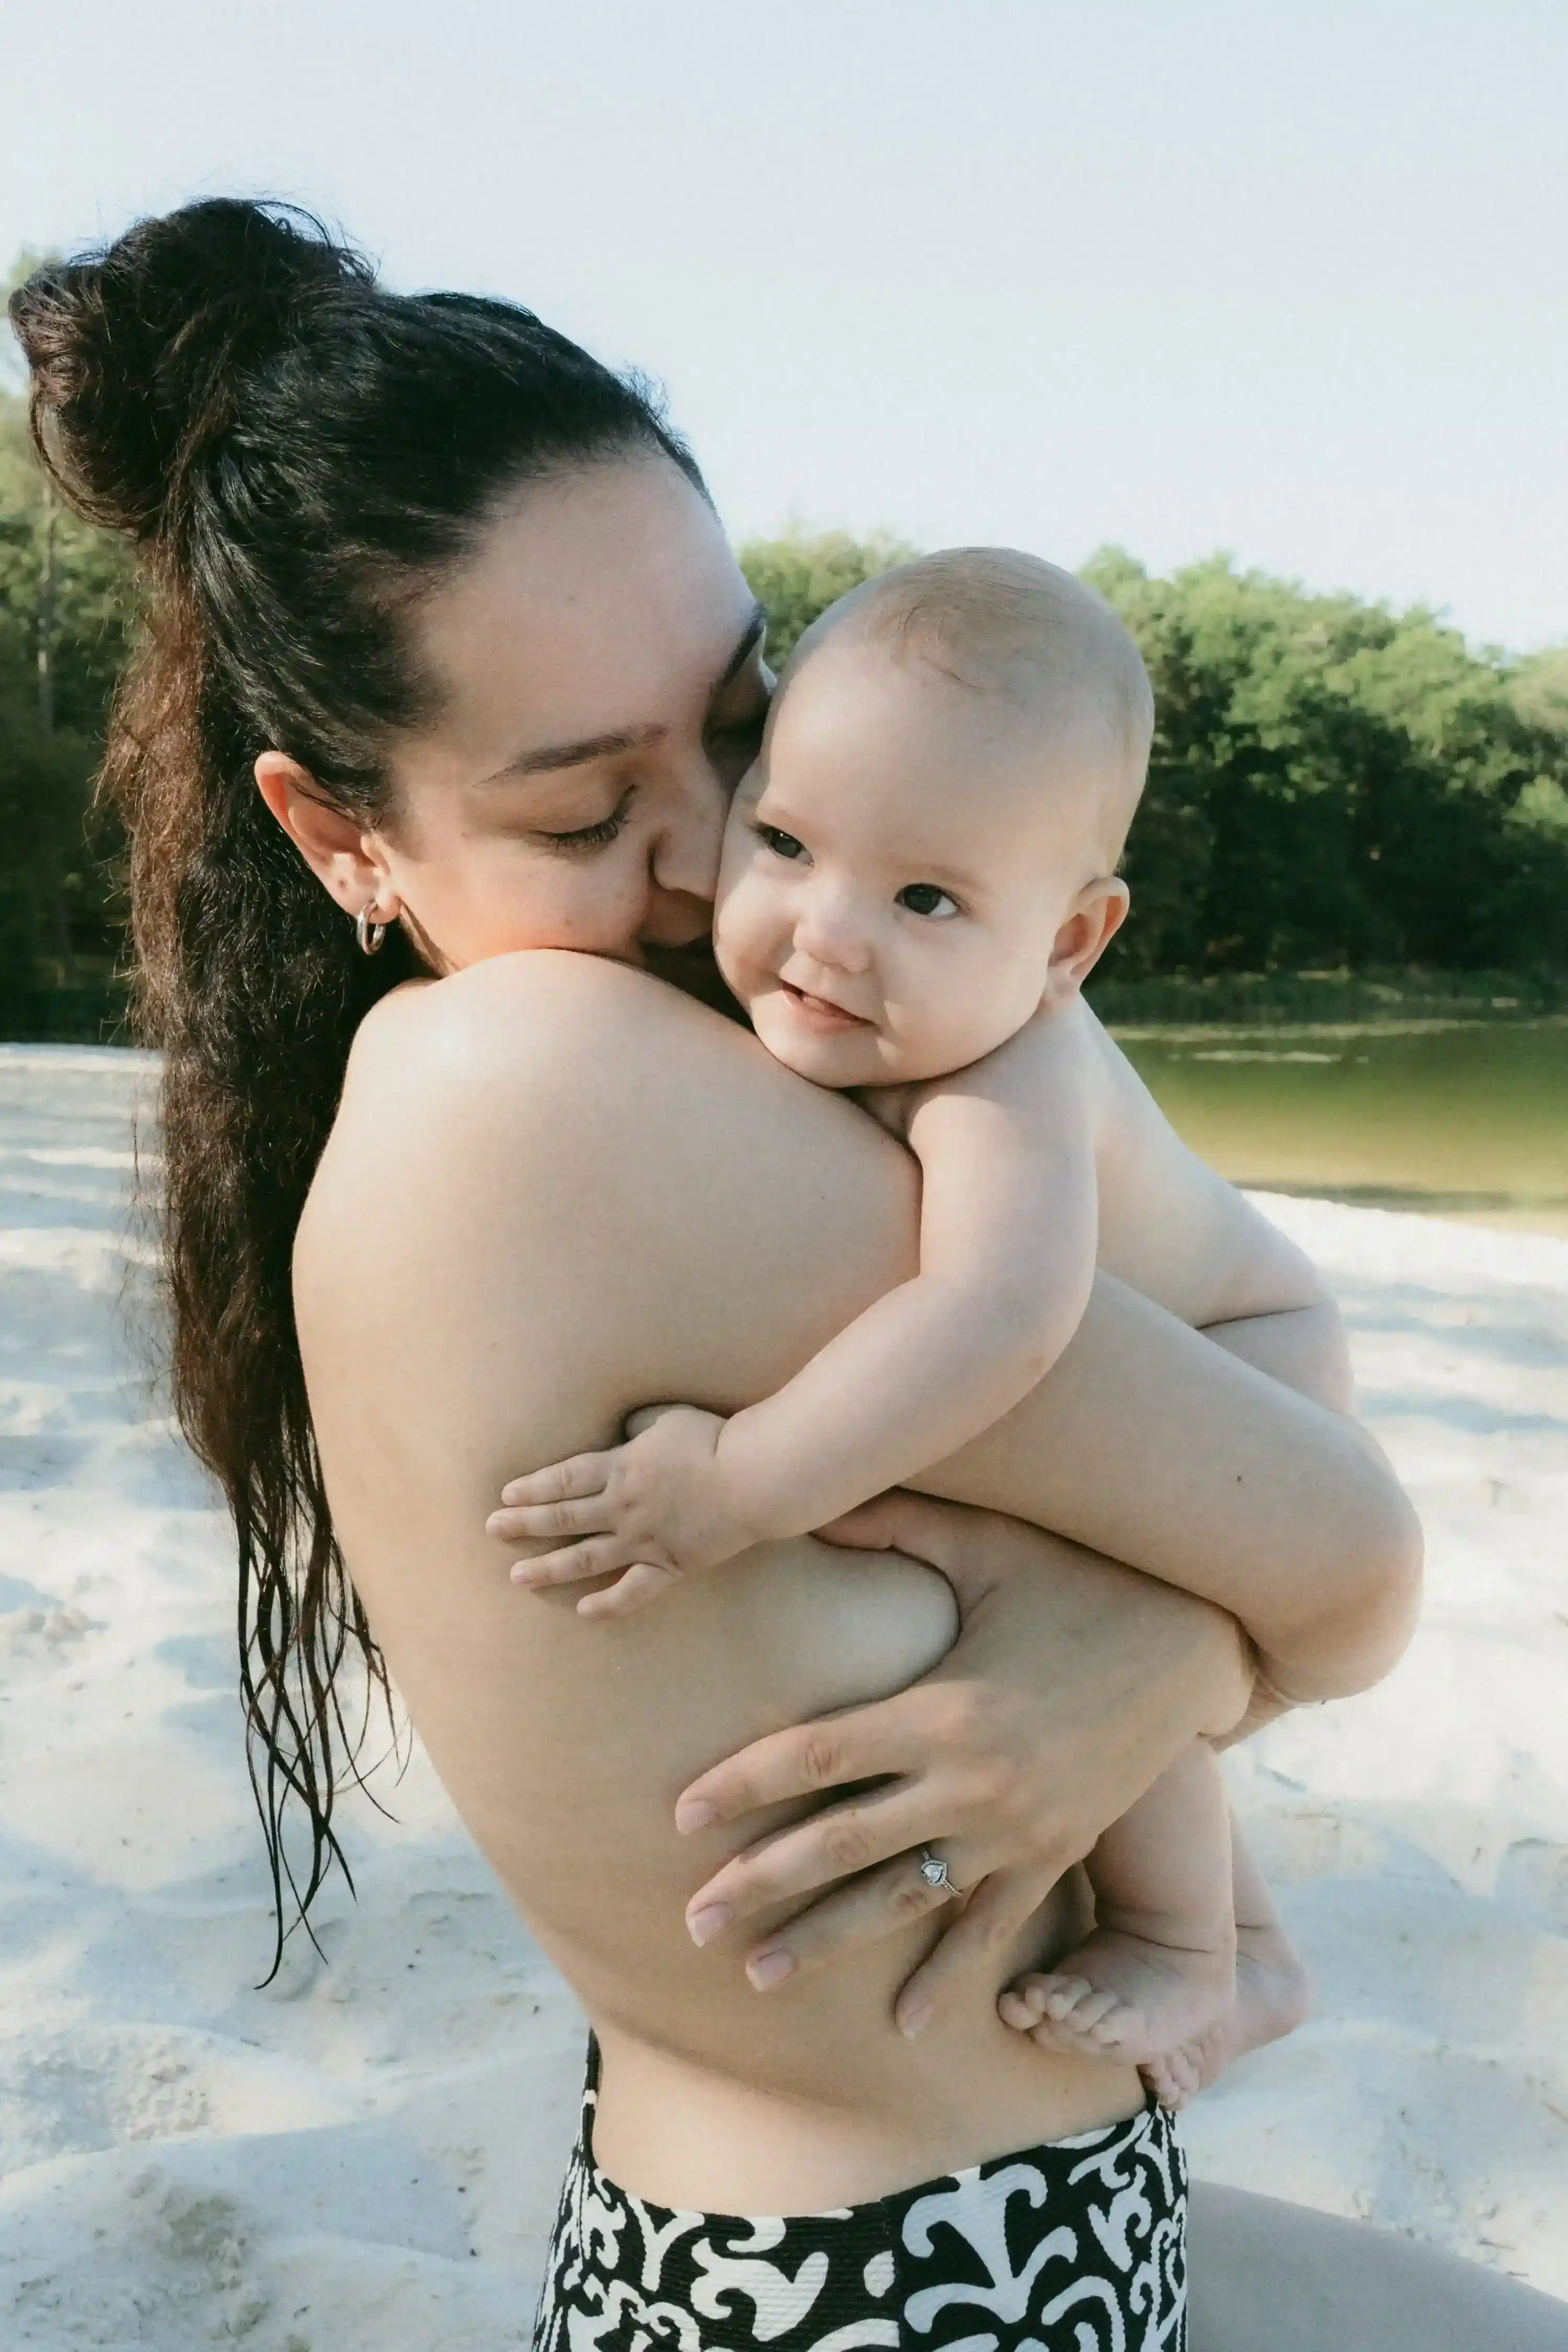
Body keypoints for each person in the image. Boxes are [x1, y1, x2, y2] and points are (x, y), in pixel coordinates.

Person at [15, 198, 1564, 2352]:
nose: (726, 867)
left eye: (741, 727)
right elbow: (1357, 1565)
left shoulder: (438, 1104)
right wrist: (1176, 1648)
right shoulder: (550, 1087)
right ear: (334, 831)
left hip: (786, 2257)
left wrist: (1141, 1657)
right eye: (580, 816)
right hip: (918, 2295)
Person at [497, 547, 1346, 2093]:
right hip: (1159, 1341)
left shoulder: (1008, 1070)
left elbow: (1000, 1315)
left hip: (1251, 1348)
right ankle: (1249, 1937)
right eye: (789, 840)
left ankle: (1203, 1947)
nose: (827, 929)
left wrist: (740, 1483)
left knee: (1106, 1594)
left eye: (927, 895)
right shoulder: (868, 1000)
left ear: (1069, 945)